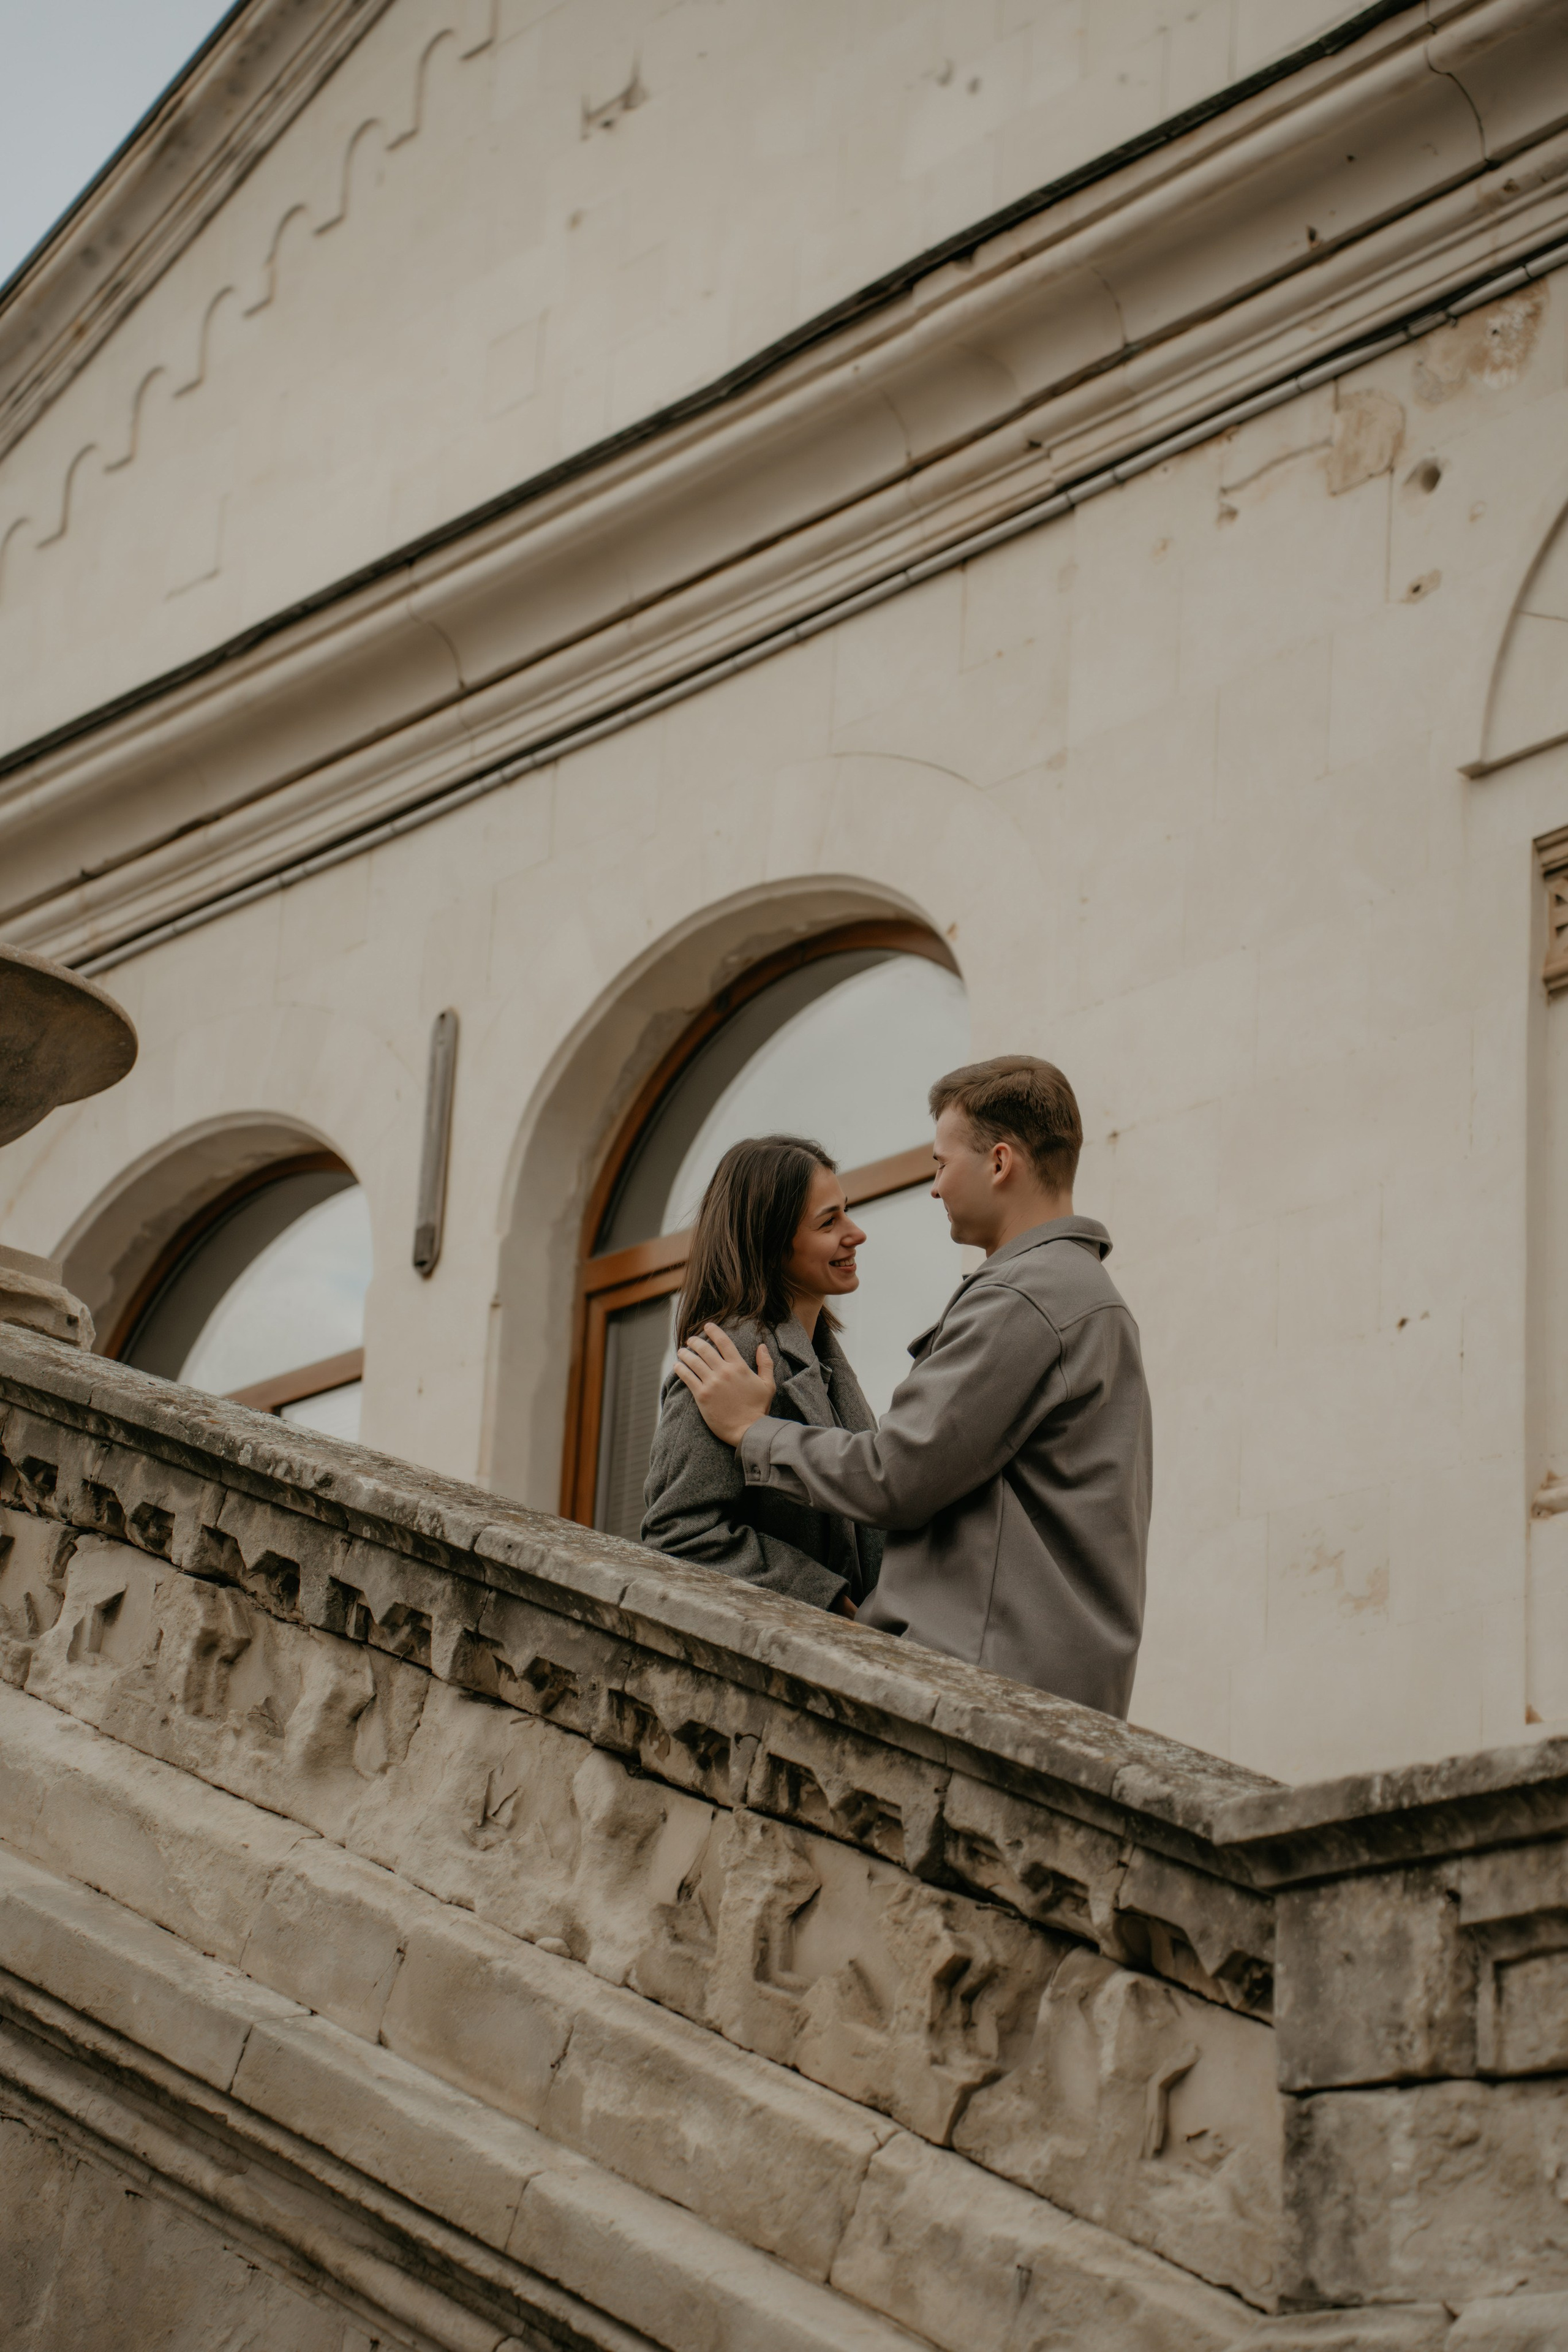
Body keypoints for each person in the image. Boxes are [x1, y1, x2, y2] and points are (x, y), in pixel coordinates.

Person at [670, 1057, 1150, 1716]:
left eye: (940, 1164)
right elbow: (679, 1530)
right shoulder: (1078, 1296)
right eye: (829, 1221)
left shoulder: (1029, 1297)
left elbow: (895, 1473)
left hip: (984, 1682)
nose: (934, 1187)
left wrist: (755, 1434)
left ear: (1000, 1163)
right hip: (1013, 1679)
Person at [640, 1134, 883, 1616]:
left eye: (847, 1212)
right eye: (828, 1222)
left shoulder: (826, 1363)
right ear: (772, 1243)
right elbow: (677, 1532)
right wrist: (829, 1602)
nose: (855, 1233)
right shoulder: (729, 1355)